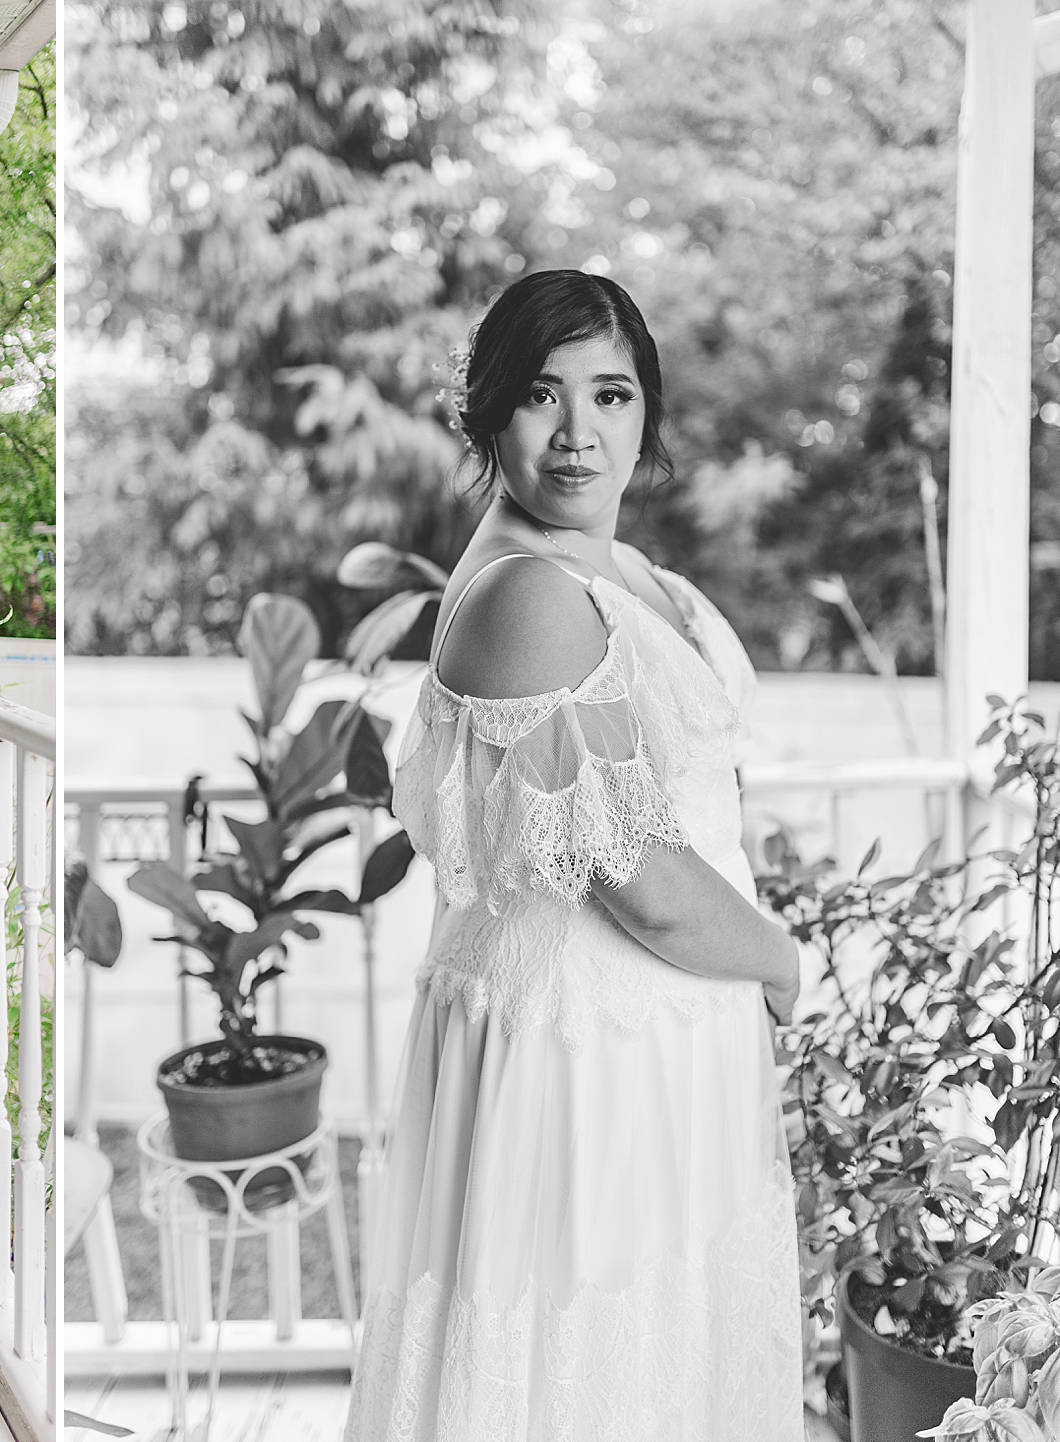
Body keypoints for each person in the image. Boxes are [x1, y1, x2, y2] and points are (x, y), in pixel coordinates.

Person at [343, 271, 803, 1440]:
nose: (577, 433)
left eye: (610, 395)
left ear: (645, 412)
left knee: (665, 1367)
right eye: (540, 396)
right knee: (580, 1374)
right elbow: (638, 880)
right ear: (489, 413)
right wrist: (779, 958)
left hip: (658, 1035)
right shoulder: (528, 594)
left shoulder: (614, 566)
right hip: (582, 1050)